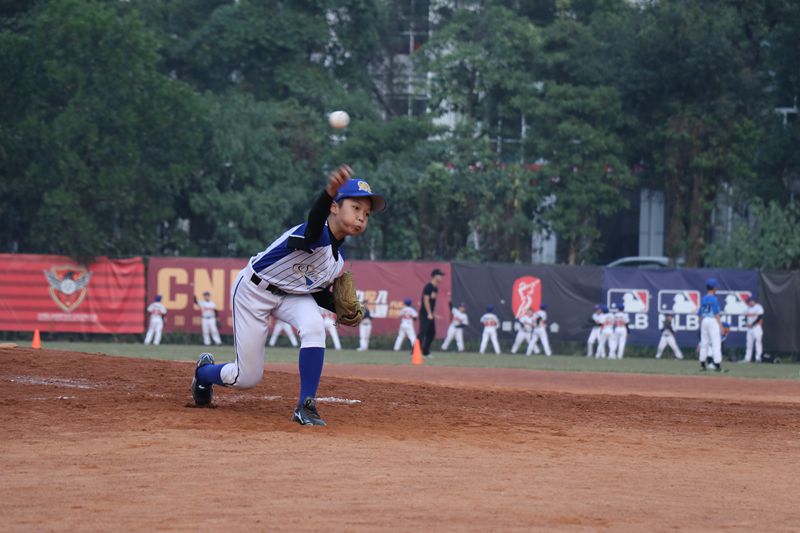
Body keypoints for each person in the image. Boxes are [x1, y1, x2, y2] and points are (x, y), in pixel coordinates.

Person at [189, 165, 386, 426]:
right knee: (246, 378)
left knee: (315, 326)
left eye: (367, 214)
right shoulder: (315, 232)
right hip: (253, 291)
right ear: (334, 207)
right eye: (356, 208)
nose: (361, 217)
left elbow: (315, 292)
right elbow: (314, 224)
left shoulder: (337, 260)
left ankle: (306, 405)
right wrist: (327, 193)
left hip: (291, 295)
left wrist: (341, 308)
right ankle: (204, 374)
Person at [698, 278, 724, 372]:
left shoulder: (703, 298)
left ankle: (702, 364)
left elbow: (700, 312)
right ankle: (717, 365)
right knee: (716, 343)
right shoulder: (714, 299)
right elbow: (716, 313)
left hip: (704, 320)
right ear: (713, 288)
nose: (717, 289)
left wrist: (700, 322)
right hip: (713, 320)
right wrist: (720, 326)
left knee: (704, 343)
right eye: (716, 287)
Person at [419, 269, 444, 356]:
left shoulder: (435, 288)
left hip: (430, 314)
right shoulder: (428, 286)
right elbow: (425, 300)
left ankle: (425, 352)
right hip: (424, 313)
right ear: (435, 276)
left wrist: (434, 314)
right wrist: (429, 313)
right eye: (440, 275)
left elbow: (433, 302)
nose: (441, 277)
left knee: (432, 333)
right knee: (422, 332)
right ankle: (415, 352)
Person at [743, 297, 764, 363]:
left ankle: (758, 358)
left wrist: (752, 324)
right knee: (749, 344)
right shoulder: (747, 308)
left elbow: (760, 317)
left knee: (758, 343)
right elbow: (745, 316)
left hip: (757, 328)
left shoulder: (758, 307)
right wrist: (746, 323)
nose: (749, 302)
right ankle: (747, 359)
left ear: (753, 301)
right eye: (748, 301)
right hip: (749, 329)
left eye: (750, 301)